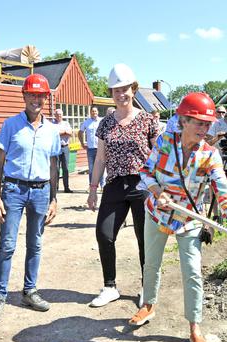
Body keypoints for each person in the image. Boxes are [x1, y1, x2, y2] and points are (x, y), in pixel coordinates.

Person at [128, 93, 227, 342]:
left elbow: (225, 196)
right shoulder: (167, 141)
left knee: (193, 272)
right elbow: (146, 172)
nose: (205, 129)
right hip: (157, 214)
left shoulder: (210, 156)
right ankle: (148, 304)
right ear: (183, 120)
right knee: (151, 263)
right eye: (198, 123)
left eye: (208, 124)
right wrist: (157, 192)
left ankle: (194, 328)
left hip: (189, 219)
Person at [0, 73, 61, 322]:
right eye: (32, 94)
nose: (36, 99)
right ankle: (0, 295)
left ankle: (30, 291)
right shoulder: (10, 125)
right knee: (7, 244)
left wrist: (53, 198)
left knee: (35, 244)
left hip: (40, 192)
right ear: (24, 96)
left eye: (41, 95)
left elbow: (53, 167)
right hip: (14, 191)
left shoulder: (51, 130)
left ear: (45, 98)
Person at [87, 63, 157, 308]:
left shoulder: (147, 120)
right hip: (115, 184)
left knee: (144, 239)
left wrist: (163, 187)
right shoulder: (105, 124)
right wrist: (93, 189)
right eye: (116, 90)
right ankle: (109, 287)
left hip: (142, 185)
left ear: (133, 89)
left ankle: (147, 288)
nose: (121, 94)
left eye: (125, 88)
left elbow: (158, 155)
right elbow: (100, 158)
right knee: (104, 234)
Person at [79, 107, 105, 188]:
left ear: (98, 112)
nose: (94, 112)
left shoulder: (102, 121)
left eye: (95, 111)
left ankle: (102, 186)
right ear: (90, 112)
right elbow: (80, 132)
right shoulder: (87, 122)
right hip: (90, 149)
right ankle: (92, 186)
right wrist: (82, 143)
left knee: (101, 168)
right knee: (91, 169)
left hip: (100, 148)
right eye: (92, 111)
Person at [53, 108, 73, 193]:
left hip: (65, 147)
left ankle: (66, 187)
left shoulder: (66, 123)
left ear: (62, 115)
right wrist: (64, 132)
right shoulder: (52, 124)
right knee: (56, 168)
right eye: (57, 115)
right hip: (56, 148)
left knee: (66, 169)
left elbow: (70, 133)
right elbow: (53, 134)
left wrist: (61, 132)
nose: (59, 116)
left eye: (60, 115)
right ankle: (55, 188)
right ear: (55, 115)